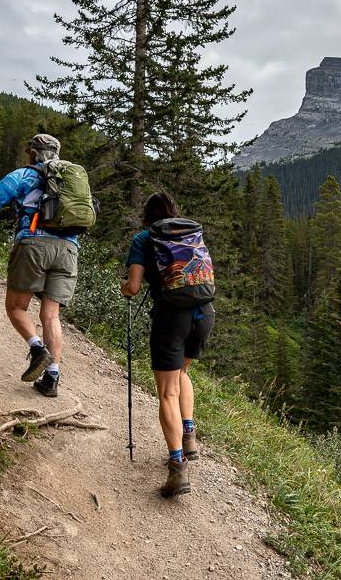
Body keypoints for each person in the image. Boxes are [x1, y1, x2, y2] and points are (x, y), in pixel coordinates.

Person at [0, 133, 78, 398]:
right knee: (51, 315)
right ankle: (52, 378)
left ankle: (38, 350)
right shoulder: (70, 179)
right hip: (69, 249)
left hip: (34, 243)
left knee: (15, 307)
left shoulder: (24, 175)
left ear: (33, 153)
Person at [122, 192, 215, 498]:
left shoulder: (144, 239)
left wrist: (126, 286)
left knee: (167, 392)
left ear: (148, 216)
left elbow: (134, 288)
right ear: (174, 212)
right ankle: (189, 436)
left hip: (171, 317)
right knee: (182, 375)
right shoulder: (191, 232)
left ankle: (177, 470)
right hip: (204, 312)